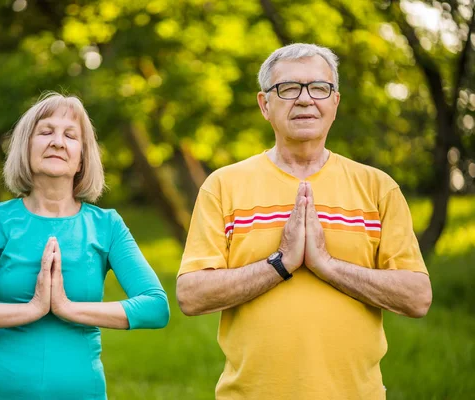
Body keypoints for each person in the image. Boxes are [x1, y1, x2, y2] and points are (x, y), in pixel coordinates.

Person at [176, 43, 432, 400]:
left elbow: (417, 298)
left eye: (319, 88)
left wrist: (328, 266)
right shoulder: (223, 186)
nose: (305, 99)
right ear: (265, 104)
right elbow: (191, 295)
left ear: (335, 103)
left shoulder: (378, 188)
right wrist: (280, 263)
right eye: (288, 88)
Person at [0, 93, 170, 400]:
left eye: (70, 135)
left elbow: (155, 307)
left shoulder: (106, 225)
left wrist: (67, 308)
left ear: (82, 156)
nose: (57, 142)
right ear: (26, 147)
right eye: (45, 132)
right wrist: (32, 309)